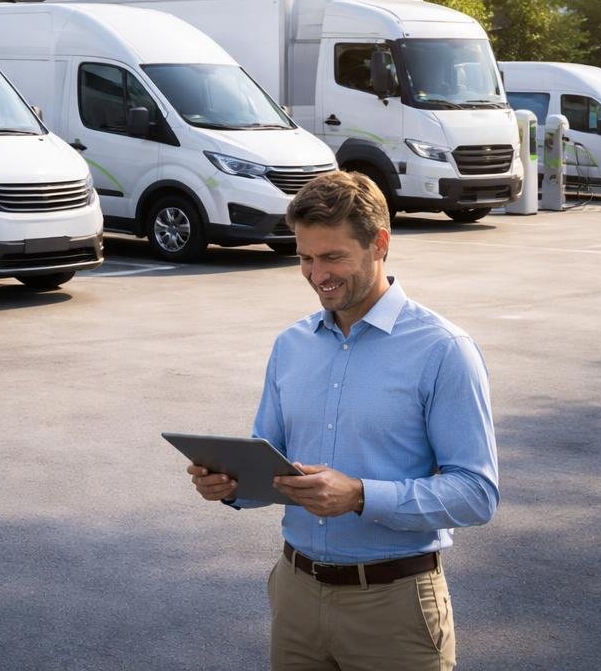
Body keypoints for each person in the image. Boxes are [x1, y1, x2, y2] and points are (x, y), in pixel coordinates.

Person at [187, 170, 498, 670]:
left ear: (380, 244)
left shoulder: (443, 350)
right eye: (305, 258)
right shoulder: (291, 346)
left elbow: (477, 494)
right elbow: (268, 459)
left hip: (393, 606)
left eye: (332, 257)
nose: (317, 274)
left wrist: (359, 495)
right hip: (295, 595)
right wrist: (229, 486)